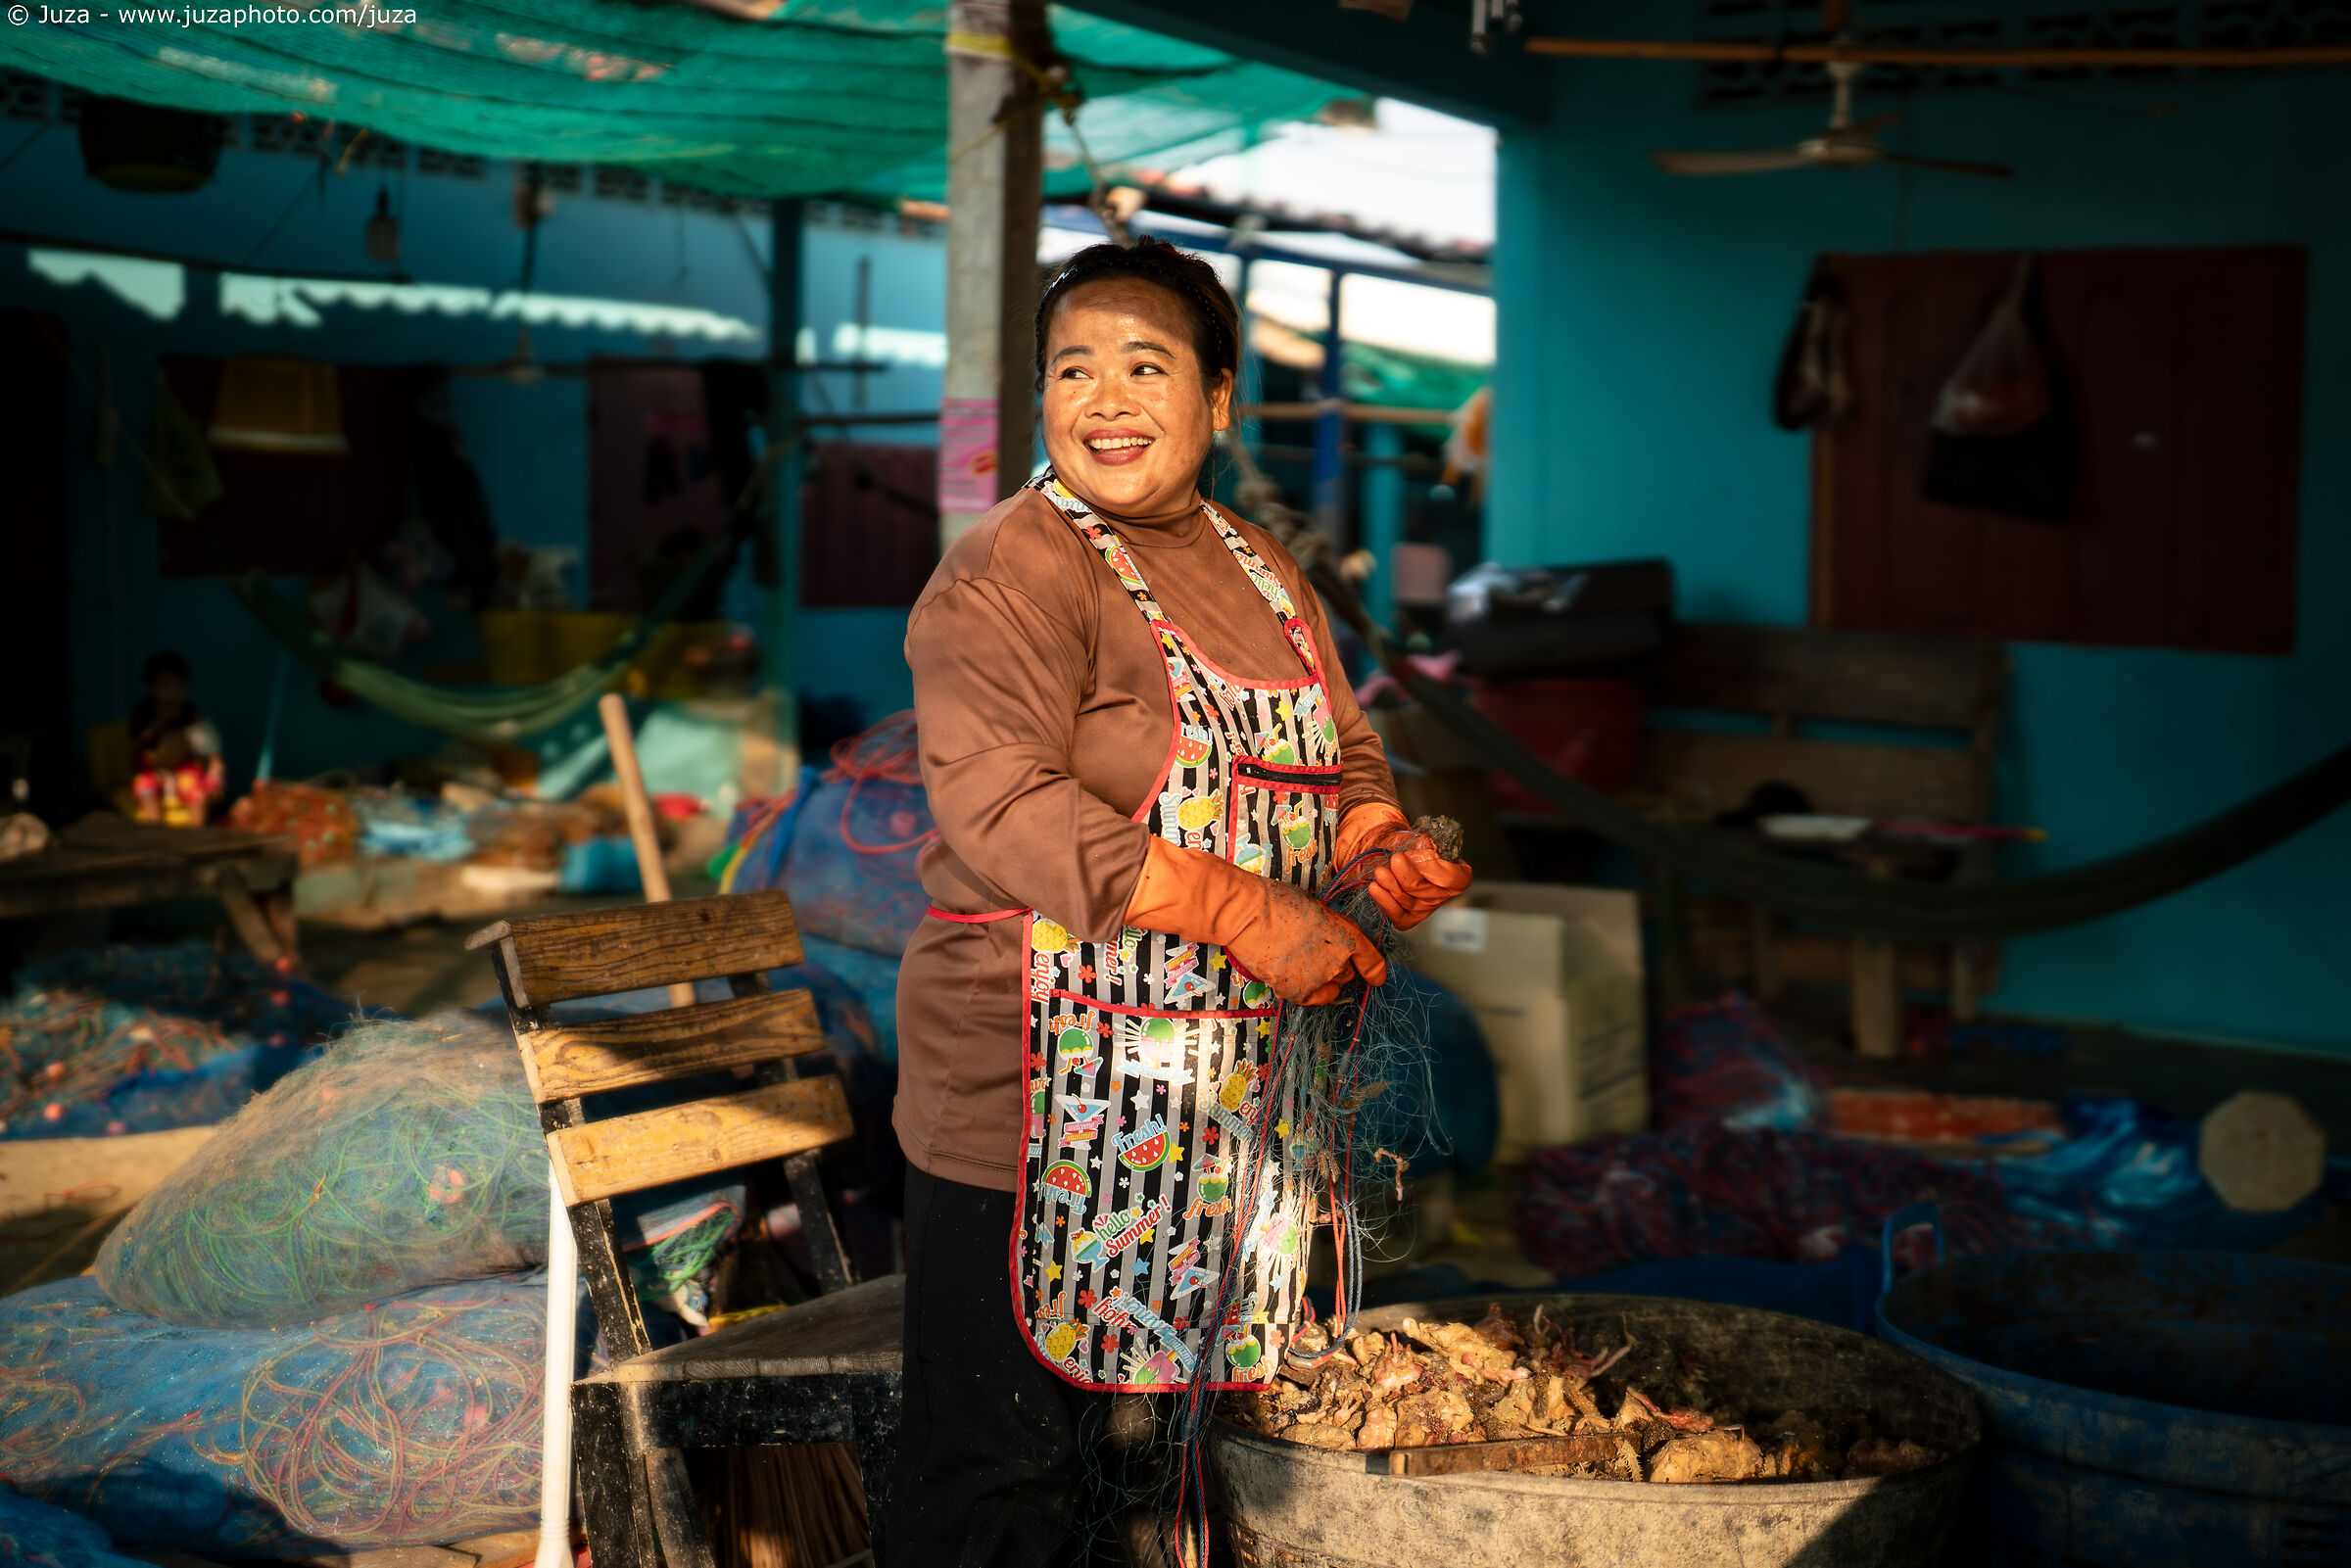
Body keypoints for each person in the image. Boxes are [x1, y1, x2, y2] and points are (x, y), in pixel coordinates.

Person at [888, 238, 1473, 1565]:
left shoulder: (1263, 568)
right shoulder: (1012, 569)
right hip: (1031, 1096)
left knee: (1170, 1467)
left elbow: (1341, 749)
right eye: (1073, 369)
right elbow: (1006, 806)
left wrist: (1375, 840)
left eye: (1144, 367)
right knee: (1004, 1475)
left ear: (1218, 399)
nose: (1104, 399)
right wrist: (1255, 916)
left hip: (1222, 1103)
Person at [128, 651, 225, 827]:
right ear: (150, 687)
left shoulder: (190, 714)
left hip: (183, 770)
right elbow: (140, 743)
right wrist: (161, 721)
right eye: (166, 686)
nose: (173, 693)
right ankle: (153, 831)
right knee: (146, 790)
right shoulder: (142, 713)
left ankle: (195, 834)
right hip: (152, 770)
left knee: (198, 795)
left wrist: (215, 770)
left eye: (179, 687)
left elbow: (209, 746)